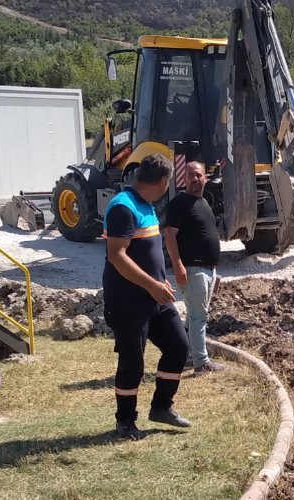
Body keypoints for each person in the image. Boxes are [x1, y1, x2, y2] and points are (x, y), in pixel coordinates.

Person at [103, 154, 192, 440]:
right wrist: (152, 284)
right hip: (128, 300)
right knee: (132, 362)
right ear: (163, 182)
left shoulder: (147, 206)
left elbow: (146, 251)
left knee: (179, 346)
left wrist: (160, 279)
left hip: (154, 297)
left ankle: (161, 408)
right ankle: (125, 421)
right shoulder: (122, 207)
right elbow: (116, 256)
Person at [164, 161, 226, 376]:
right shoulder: (179, 203)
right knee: (199, 318)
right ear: (184, 178)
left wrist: (214, 272)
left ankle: (188, 356)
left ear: (205, 178)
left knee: (193, 316)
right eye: (190, 175)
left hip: (207, 270)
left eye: (198, 174)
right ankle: (201, 363)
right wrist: (177, 264)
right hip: (192, 269)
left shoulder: (203, 202)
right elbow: (169, 234)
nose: (194, 178)